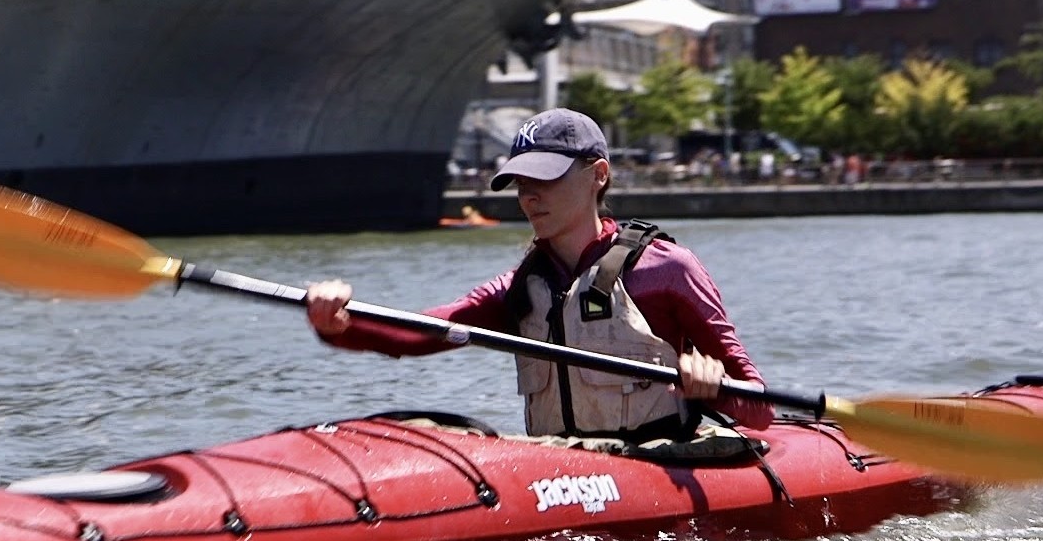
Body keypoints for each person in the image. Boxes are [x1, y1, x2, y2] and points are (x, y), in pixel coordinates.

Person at [305, 108, 769, 441]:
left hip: (656, 470)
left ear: (598, 175)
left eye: (546, 179)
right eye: (522, 183)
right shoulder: (519, 288)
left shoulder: (666, 269)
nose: (529, 196)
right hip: (560, 474)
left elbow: (759, 407)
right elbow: (418, 333)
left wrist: (713, 390)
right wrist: (338, 325)